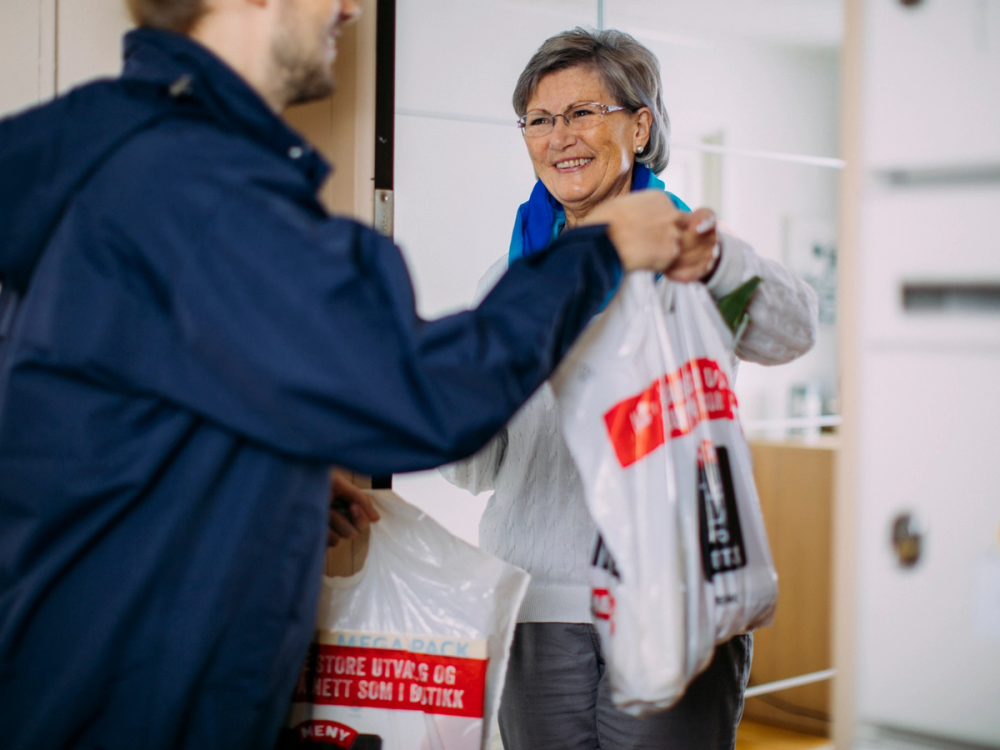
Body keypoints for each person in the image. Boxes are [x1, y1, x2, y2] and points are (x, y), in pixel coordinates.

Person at [0, 2, 701, 748]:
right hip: (136, 692)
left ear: (641, 127)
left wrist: (264, 476)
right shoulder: (202, 183)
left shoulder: (95, 152)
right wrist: (598, 250)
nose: (344, 9)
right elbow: (423, 396)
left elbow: (100, 391)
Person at [442, 28, 820, 750]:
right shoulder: (514, 280)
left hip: (678, 595)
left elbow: (793, 329)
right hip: (539, 602)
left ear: (639, 125)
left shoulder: (691, 255)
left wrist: (717, 261)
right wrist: (456, 396)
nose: (561, 138)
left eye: (583, 112)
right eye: (540, 120)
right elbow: (476, 469)